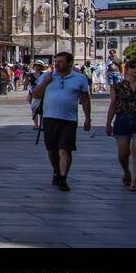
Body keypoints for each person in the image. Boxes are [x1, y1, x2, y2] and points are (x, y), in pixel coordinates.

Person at [31, 52, 92, 192]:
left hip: (69, 119)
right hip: (49, 118)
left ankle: (63, 178)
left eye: (61, 62)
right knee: (52, 150)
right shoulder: (47, 76)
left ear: (70, 63)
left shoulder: (80, 78)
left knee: (65, 149)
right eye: (56, 61)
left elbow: (85, 99)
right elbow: (36, 94)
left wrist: (88, 118)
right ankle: (56, 170)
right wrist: (45, 81)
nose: (57, 64)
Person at [106, 58, 136, 191]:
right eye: (133, 67)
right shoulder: (117, 87)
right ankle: (126, 171)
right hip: (122, 119)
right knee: (123, 153)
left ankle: (135, 182)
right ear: (127, 69)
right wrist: (108, 122)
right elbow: (113, 104)